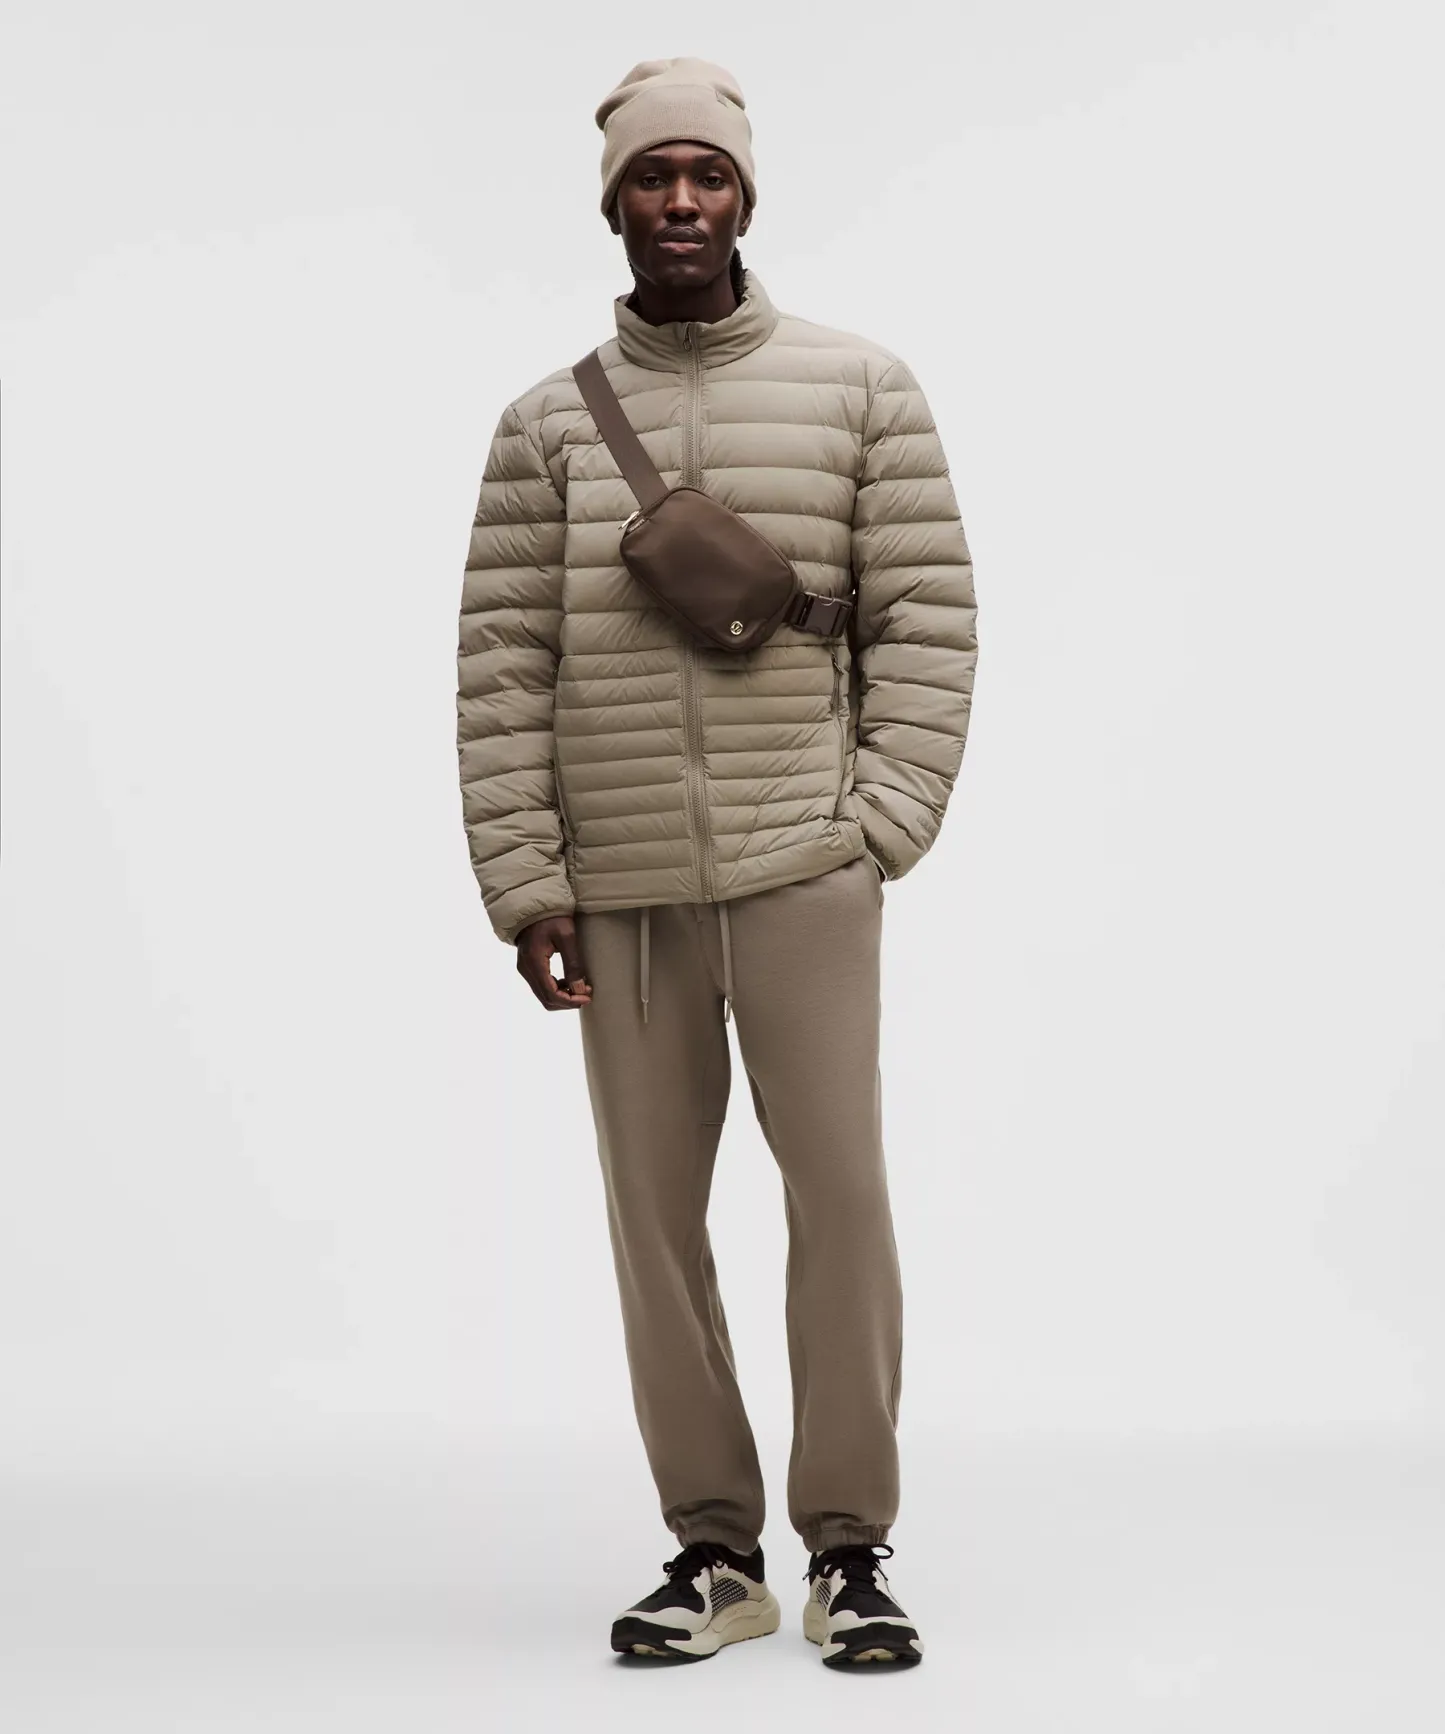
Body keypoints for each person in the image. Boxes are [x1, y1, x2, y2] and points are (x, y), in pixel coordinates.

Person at [456, 56, 978, 1668]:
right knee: (653, 1221)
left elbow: (928, 620)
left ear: (747, 196)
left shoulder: (861, 386)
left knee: (842, 1201)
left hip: (806, 860)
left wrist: (879, 825)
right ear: (612, 201)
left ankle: (852, 1546)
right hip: (617, 884)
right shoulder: (547, 424)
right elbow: (502, 662)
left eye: (709, 175)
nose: (681, 201)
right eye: (652, 175)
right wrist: (526, 877)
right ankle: (714, 1551)